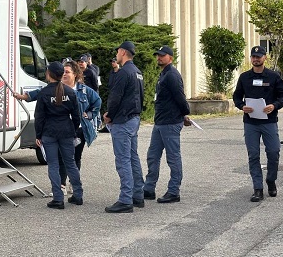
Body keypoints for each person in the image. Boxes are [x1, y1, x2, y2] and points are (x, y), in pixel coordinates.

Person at [14, 61, 101, 196]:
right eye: (63, 71)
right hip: (66, 131)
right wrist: (24, 96)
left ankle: (72, 186)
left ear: (75, 74)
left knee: (75, 158)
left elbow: (97, 102)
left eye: (68, 72)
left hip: (76, 130)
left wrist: (89, 115)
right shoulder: (53, 88)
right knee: (62, 159)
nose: (65, 74)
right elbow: (39, 93)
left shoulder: (84, 91)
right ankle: (62, 186)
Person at [232, 46, 283, 202]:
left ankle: (271, 180)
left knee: (273, 151)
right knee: (254, 155)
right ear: (251, 59)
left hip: (269, 121)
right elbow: (236, 97)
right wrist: (242, 106)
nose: (256, 59)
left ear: (265, 58)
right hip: (251, 122)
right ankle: (257, 188)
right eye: (253, 57)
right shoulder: (244, 77)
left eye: (259, 56)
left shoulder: (273, 76)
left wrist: (274, 106)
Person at [143, 46, 192, 204]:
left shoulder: (172, 75)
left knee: (173, 158)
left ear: (170, 57)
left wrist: (185, 114)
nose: (159, 58)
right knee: (153, 156)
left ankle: (173, 191)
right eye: (158, 55)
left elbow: (180, 97)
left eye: (162, 56)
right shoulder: (163, 74)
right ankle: (149, 188)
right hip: (160, 121)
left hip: (170, 122)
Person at [103, 41, 145, 213]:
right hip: (133, 119)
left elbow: (115, 97)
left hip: (122, 121)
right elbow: (141, 97)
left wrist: (109, 115)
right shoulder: (137, 72)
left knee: (123, 160)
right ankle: (137, 195)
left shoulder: (123, 72)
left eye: (118, 52)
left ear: (122, 52)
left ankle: (125, 199)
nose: (117, 55)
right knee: (133, 157)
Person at [34, 61, 83, 209]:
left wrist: (38, 135)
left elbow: (39, 117)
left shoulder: (44, 93)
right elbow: (76, 116)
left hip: (49, 132)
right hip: (67, 131)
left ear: (49, 74)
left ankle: (58, 198)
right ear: (62, 74)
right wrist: (72, 130)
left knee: (53, 165)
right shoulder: (70, 92)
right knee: (71, 163)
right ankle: (78, 195)